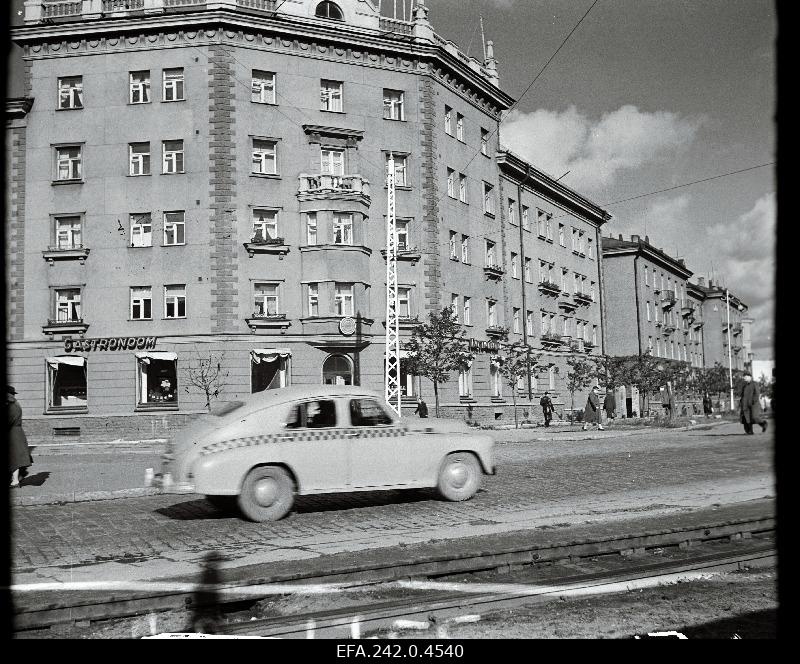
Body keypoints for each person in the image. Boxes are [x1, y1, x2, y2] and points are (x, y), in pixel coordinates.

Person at [9, 385, 33, 488]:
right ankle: (17, 478)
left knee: (14, 457)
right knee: (16, 456)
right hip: (16, 432)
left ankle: (15, 481)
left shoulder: (10, 404)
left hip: (12, 433)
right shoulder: (15, 404)